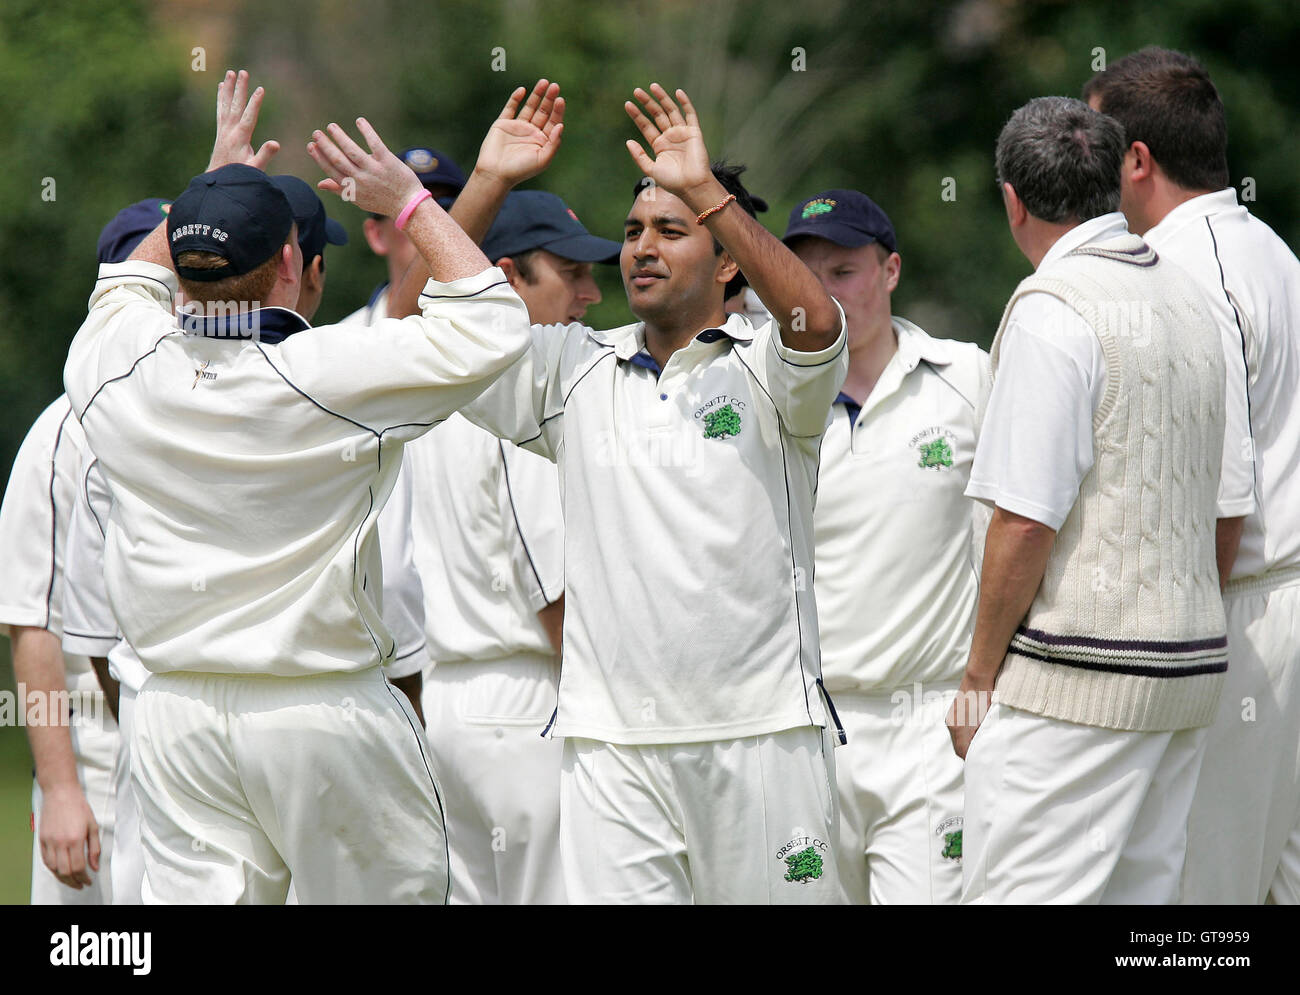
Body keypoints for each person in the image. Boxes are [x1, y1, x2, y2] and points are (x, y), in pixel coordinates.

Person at [60, 69, 532, 904]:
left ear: (186, 266)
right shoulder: (335, 372)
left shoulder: (110, 365)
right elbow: (491, 319)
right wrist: (411, 203)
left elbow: (127, 286)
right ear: (290, 260)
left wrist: (208, 189)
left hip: (173, 716)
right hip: (320, 712)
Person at [390, 82, 848, 903]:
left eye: (671, 232)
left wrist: (706, 190)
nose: (641, 247)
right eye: (634, 231)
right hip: (610, 749)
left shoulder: (771, 370)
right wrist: (490, 181)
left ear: (727, 257)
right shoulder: (572, 365)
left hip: (765, 736)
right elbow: (426, 322)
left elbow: (815, 319)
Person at [948, 96, 1228, 904]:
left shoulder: (1053, 309)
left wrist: (976, 678)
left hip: (1077, 682)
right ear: (1115, 179)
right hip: (1184, 673)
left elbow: (1024, 518)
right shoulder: (1190, 296)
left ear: (1012, 200)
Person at [1085, 46, 1300, 905]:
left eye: (1102, 147)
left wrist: (1183, 647)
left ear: (1137, 160)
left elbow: (1223, 486)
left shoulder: (1185, 273)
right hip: (1281, 600)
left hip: (1241, 613)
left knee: (1202, 898)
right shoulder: (1272, 249)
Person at [405, 189, 619, 905]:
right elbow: (549, 583)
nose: (590, 293)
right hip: (527, 701)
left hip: (450, 701)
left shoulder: (437, 381)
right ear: (505, 276)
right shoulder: (532, 393)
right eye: (569, 273)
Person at [784, 188, 990, 904]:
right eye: (809, 277)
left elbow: (1024, 534)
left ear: (891, 269)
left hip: (933, 725)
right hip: (807, 729)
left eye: (843, 272)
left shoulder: (968, 377)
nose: (826, 295)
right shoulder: (771, 400)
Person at [340, 145, 466, 325]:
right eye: (409, 210)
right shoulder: (345, 340)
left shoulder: (502, 327)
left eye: (445, 208)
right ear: (377, 235)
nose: (431, 223)